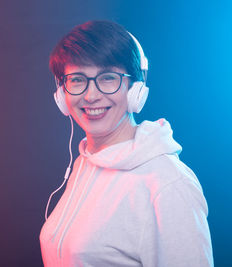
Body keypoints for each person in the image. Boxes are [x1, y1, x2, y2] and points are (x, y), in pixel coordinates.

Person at [39, 20, 213, 267]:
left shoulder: (167, 184)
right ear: (62, 93)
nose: (91, 95)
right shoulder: (84, 164)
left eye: (108, 78)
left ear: (136, 88)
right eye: (77, 80)